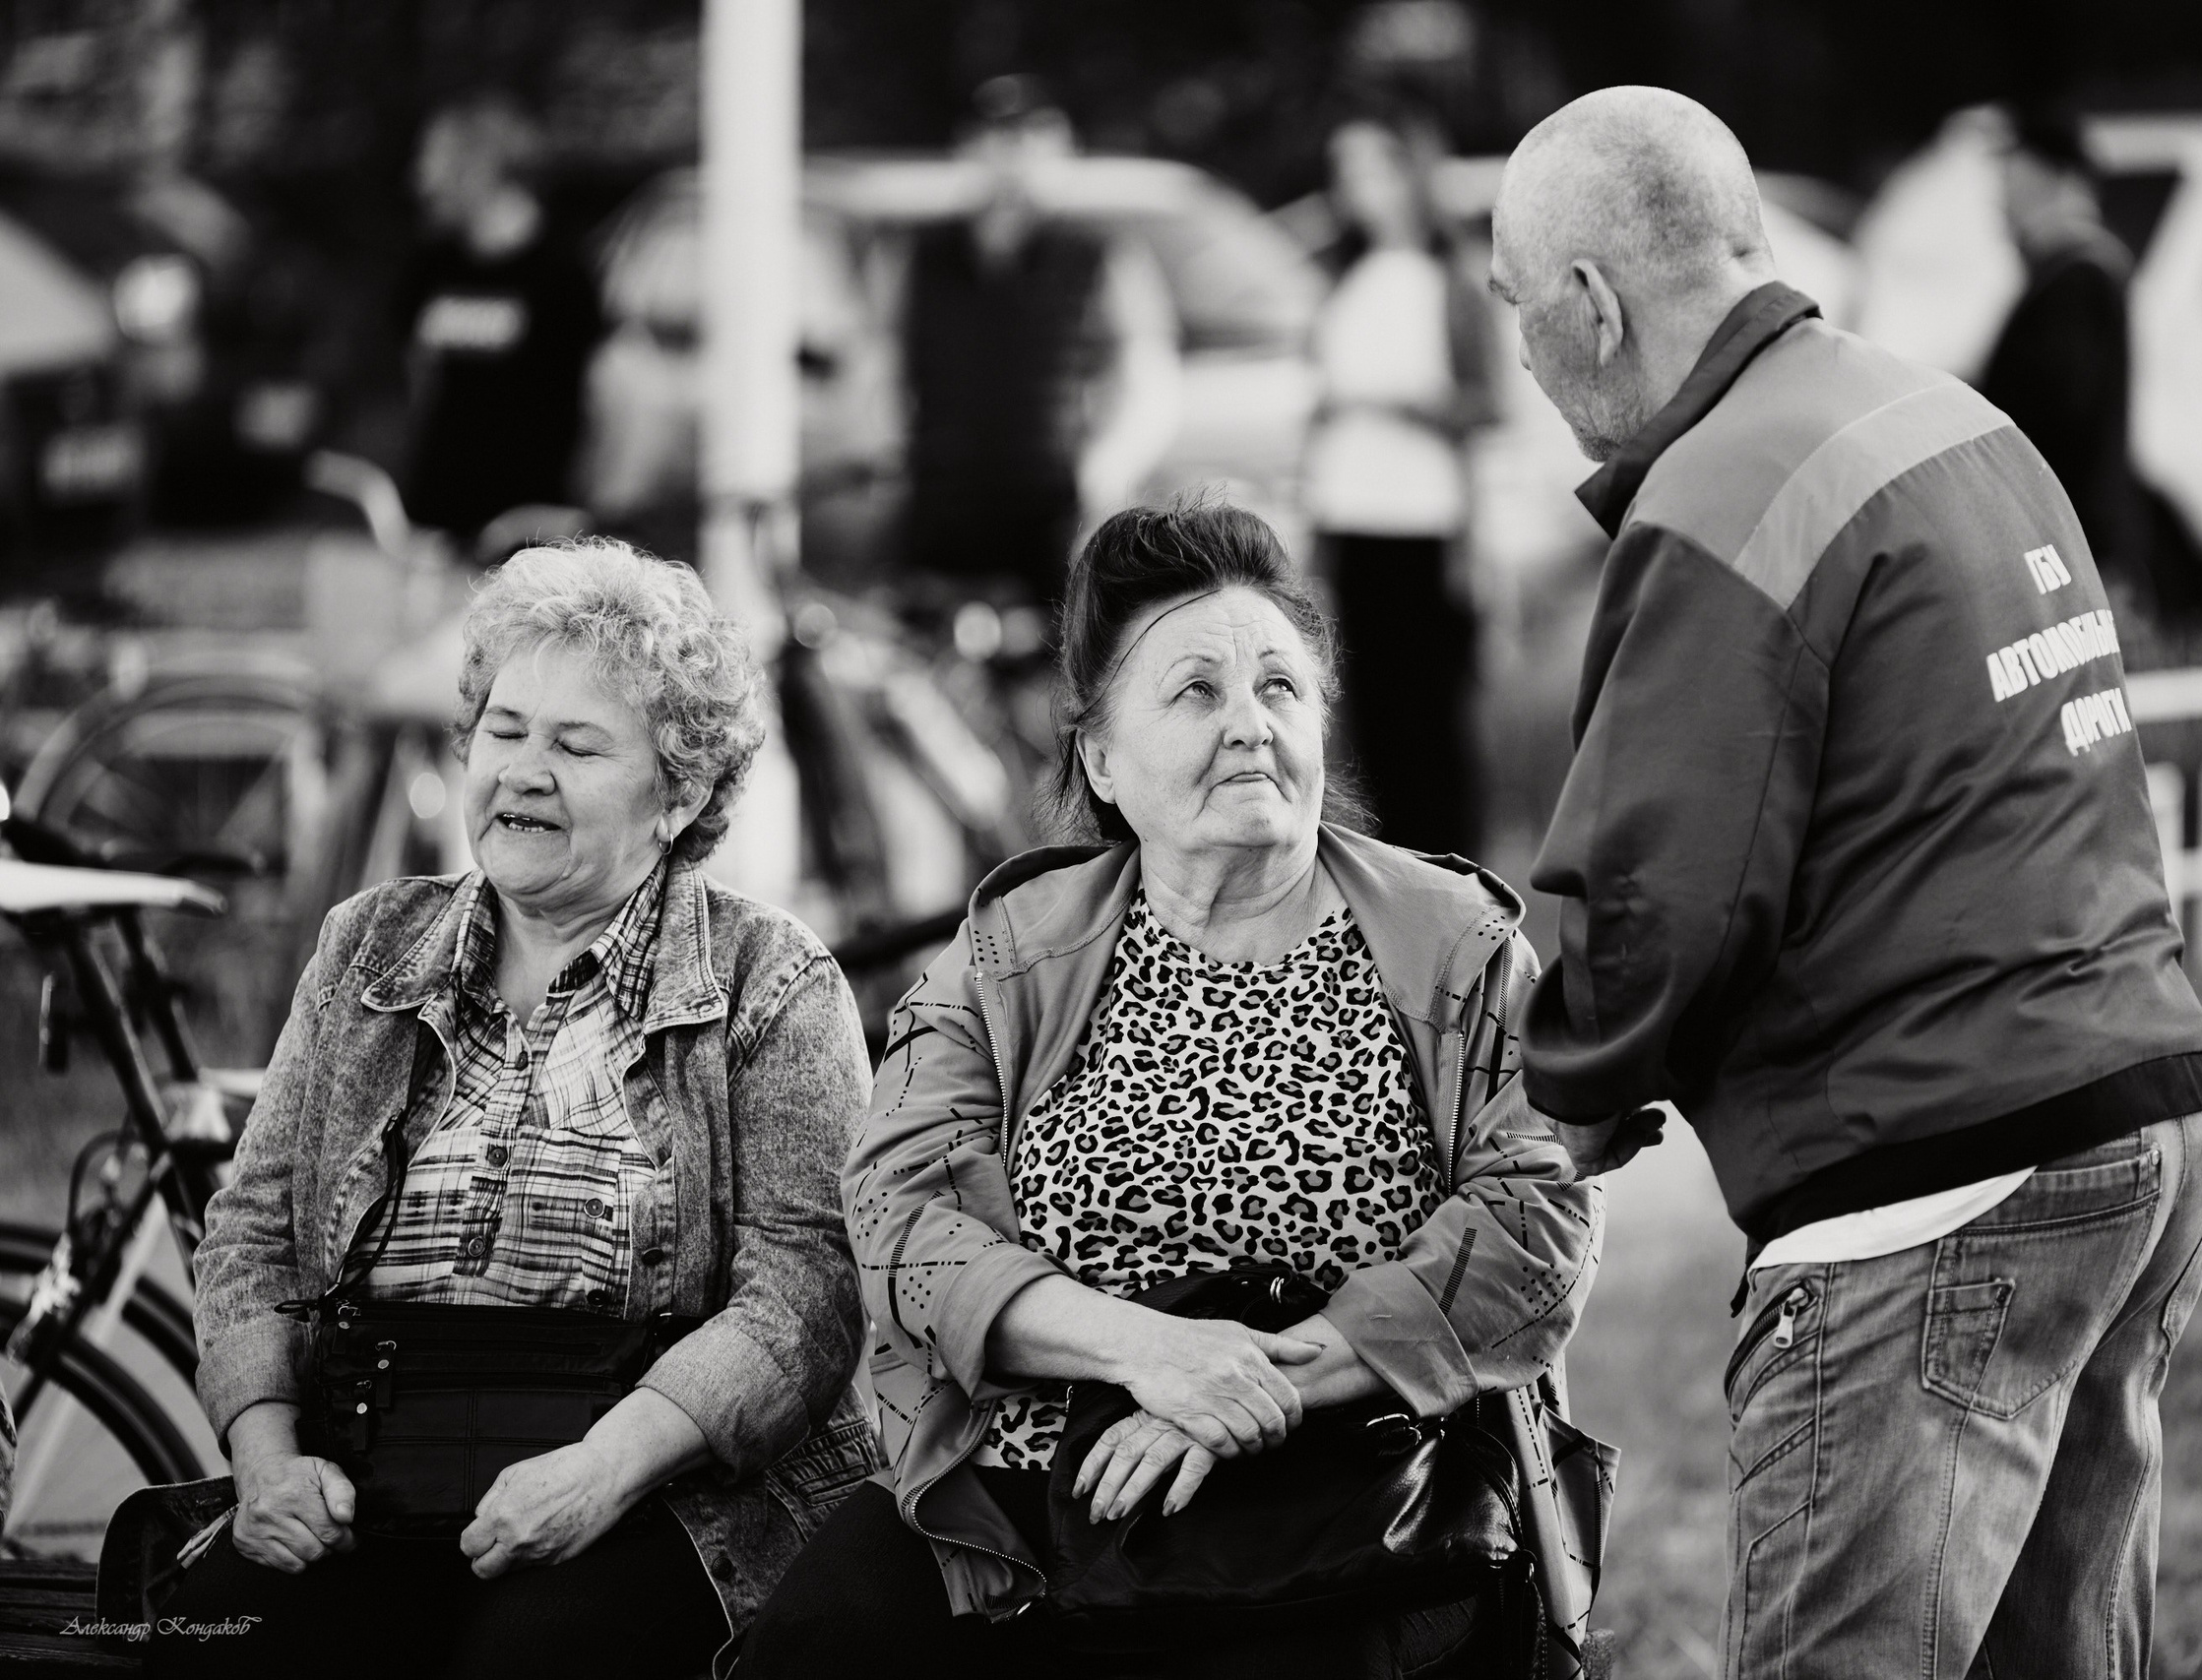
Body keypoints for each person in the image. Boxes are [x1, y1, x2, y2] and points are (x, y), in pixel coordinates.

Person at [1485, 88, 2202, 1680]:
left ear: (1591, 303)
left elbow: (1655, 901)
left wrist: (1568, 1093)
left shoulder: (1726, 497)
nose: (1525, 362)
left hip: (1934, 1175)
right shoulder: (1954, 423)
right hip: (2146, 1124)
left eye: (1516, 308)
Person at [743, 500, 1600, 1677]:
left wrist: (1256, 1389)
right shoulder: (1009, 950)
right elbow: (897, 1217)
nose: (1250, 723)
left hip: (1363, 1486)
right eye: (1197, 692)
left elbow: (1534, 1221)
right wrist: (1146, 1352)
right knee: (822, 1635)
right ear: (1100, 759)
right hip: (1043, 1491)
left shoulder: (1457, 942)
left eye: (1280, 687)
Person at [154, 540, 878, 1679]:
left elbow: (804, 1295)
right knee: (223, 1643)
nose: (523, 773)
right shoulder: (367, 946)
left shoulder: (771, 981)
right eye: (504, 731)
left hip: (664, 1492)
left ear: (680, 794)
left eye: (577, 746)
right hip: (371, 1477)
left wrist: (602, 1471)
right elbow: (251, 1233)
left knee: (540, 1657)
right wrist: (266, 1459)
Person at [900, 76, 1181, 617]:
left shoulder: (1101, 257)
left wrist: (1107, 472)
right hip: (942, 514)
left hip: (1053, 518)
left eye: (1031, 143)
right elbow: (878, 372)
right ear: (967, 148)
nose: (1013, 161)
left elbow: (1147, 381)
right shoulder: (920, 259)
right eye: (997, 141)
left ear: (1062, 150)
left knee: (1059, 658)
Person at [1303, 108, 1497, 857]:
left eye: (1373, 167)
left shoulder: (1450, 278)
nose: (1358, 188)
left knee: (1433, 722)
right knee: (1372, 719)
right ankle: (1392, 881)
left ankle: (1454, 879)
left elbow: (1487, 404)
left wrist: (1402, 406)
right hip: (1351, 516)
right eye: (1346, 171)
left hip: (1423, 522)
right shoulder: (1345, 278)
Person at [398, 97, 604, 542]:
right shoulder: (431, 269)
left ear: (477, 167)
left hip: (531, 530)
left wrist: (579, 512)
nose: (421, 182)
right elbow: (418, 387)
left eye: (433, 162)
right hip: (435, 519)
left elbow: (598, 406)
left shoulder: (562, 277)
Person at [1977, 104, 2140, 591]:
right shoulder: (2075, 273)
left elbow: (2054, 415)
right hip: (2066, 531)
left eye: (2011, 172)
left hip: (2063, 536)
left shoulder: (2077, 278)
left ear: (2042, 175)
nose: (2001, 195)